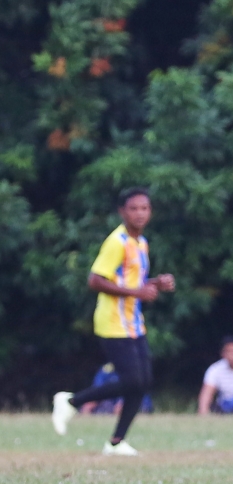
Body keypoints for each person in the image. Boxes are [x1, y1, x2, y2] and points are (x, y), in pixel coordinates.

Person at [52, 187, 175, 456]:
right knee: (133, 381)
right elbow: (95, 280)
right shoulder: (116, 242)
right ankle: (71, 402)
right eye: (134, 208)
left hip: (133, 322)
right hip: (112, 322)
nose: (140, 213)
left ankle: (116, 443)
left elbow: (131, 282)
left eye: (144, 208)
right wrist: (138, 292)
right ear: (122, 212)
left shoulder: (140, 243)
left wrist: (155, 284)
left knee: (143, 382)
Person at [77, 363, 153, 416]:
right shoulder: (107, 370)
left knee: (122, 406)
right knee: (88, 404)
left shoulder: (135, 369)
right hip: (109, 403)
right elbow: (97, 389)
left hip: (136, 402)